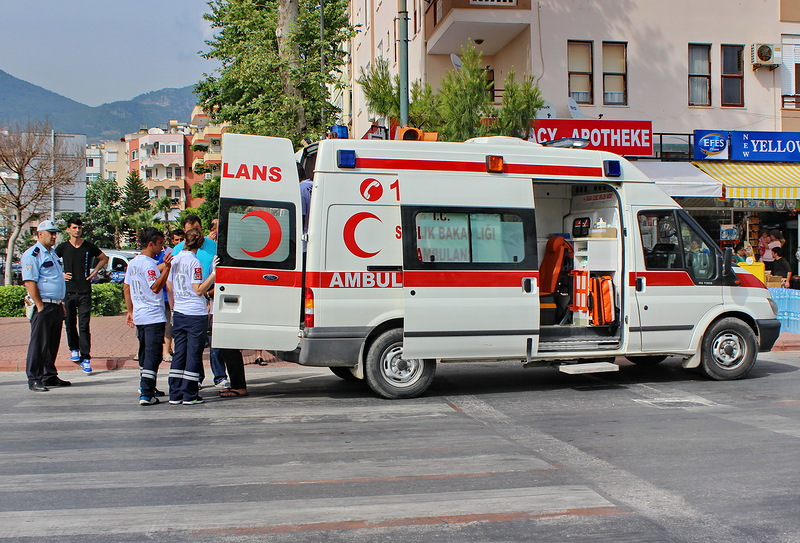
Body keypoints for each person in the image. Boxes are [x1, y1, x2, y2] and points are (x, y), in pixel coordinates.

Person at [172, 214, 229, 389]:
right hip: (191, 303)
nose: (194, 235)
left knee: (215, 341)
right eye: (190, 231)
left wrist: (210, 291)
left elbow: (221, 271)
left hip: (211, 297)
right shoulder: (179, 251)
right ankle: (195, 378)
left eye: (196, 230)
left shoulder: (214, 247)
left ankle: (219, 376)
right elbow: (173, 280)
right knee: (193, 347)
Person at [167, 228, 217, 405]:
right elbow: (198, 290)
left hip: (179, 312)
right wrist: (213, 274)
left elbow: (169, 286)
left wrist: (173, 308)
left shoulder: (175, 259)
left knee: (180, 352)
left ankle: (175, 393)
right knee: (193, 354)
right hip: (195, 313)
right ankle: (190, 393)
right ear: (200, 243)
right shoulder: (194, 263)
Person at [123, 227, 172, 406]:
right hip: (153, 316)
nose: (161, 248)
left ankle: (147, 385)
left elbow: (126, 287)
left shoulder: (134, 262)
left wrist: (130, 310)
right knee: (153, 355)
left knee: (145, 353)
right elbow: (156, 287)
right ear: (151, 244)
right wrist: (166, 269)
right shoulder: (149, 264)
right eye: (160, 244)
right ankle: (146, 392)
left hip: (141, 315)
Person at [55, 217, 108, 374]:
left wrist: (95, 272)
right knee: (70, 322)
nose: (77, 230)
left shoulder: (88, 246)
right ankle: (74, 349)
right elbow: (51, 260)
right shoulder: (62, 247)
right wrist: (61, 273)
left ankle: (86, 358)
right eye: (74, 227)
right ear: (68, 230)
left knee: (84, 325)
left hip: (84, 291)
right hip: (68, 292)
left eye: (79, 227)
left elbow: (104, 258)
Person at [22, 220, 69, 392]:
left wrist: (61, 302)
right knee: (39, 343)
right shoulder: (33, 254)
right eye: (51, 233)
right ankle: (34, 378)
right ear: (40, 234)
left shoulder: (52, 254)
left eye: (55, 233)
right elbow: (30, 281)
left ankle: (48, 375)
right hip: (43, 305)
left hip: (55, 304)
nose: (54, 236)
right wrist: (40, 305)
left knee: (52, 342)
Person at [160, 229, 184, 362]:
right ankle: (164, 350)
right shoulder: (169, 254)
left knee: (170, 325)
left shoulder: (184, 255)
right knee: (160, 324)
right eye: (176, 240)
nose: (179, 242)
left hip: (176, 296)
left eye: (181, 239)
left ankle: (167, 351)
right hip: (161, 294)